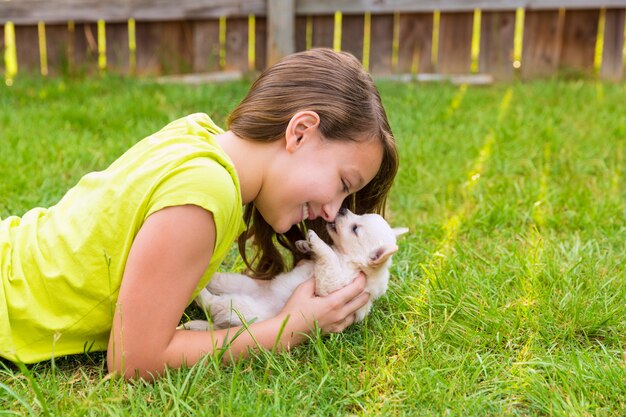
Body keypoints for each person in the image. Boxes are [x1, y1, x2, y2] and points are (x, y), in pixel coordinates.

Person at [0, 48, 398, 380]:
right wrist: (286, 330)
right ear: (299, 132)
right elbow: (133, 360)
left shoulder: (199, 136)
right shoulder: (206, 193)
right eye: (343, 184)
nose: (332, 212)